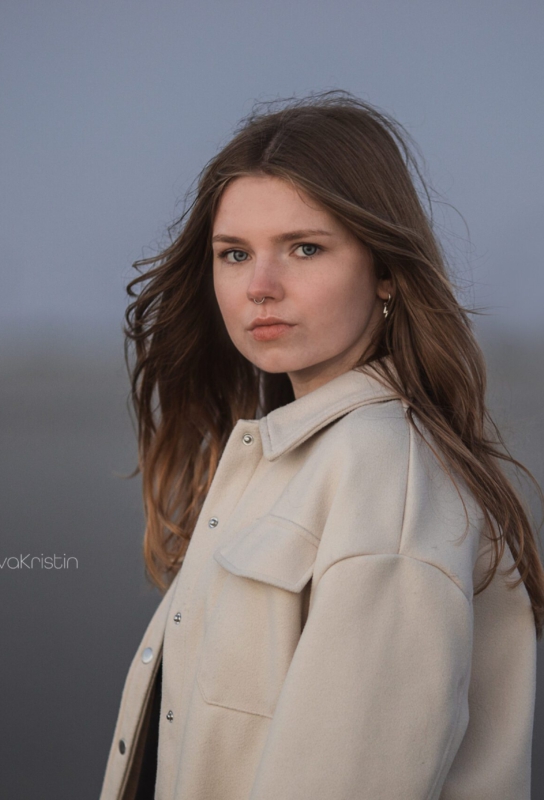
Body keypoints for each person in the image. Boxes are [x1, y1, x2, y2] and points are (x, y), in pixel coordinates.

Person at [99, 90, 543, 800]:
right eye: (234, 254)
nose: (261, 287)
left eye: (305, 248)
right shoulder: (288, 455)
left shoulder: (383, 474)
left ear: (388, 271)